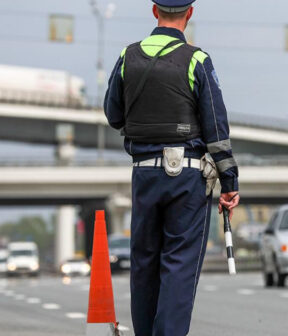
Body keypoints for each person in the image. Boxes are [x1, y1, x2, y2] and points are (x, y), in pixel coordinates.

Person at [103, 1, 239, 334]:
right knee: (178, 264)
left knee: (144, 262)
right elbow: (216, 129)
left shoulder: (126, 58)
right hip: (187, 179)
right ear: (189, 13)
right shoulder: (197, 60)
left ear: (154, 11)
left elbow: (113, 114)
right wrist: (229, 181)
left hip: (144, 174)